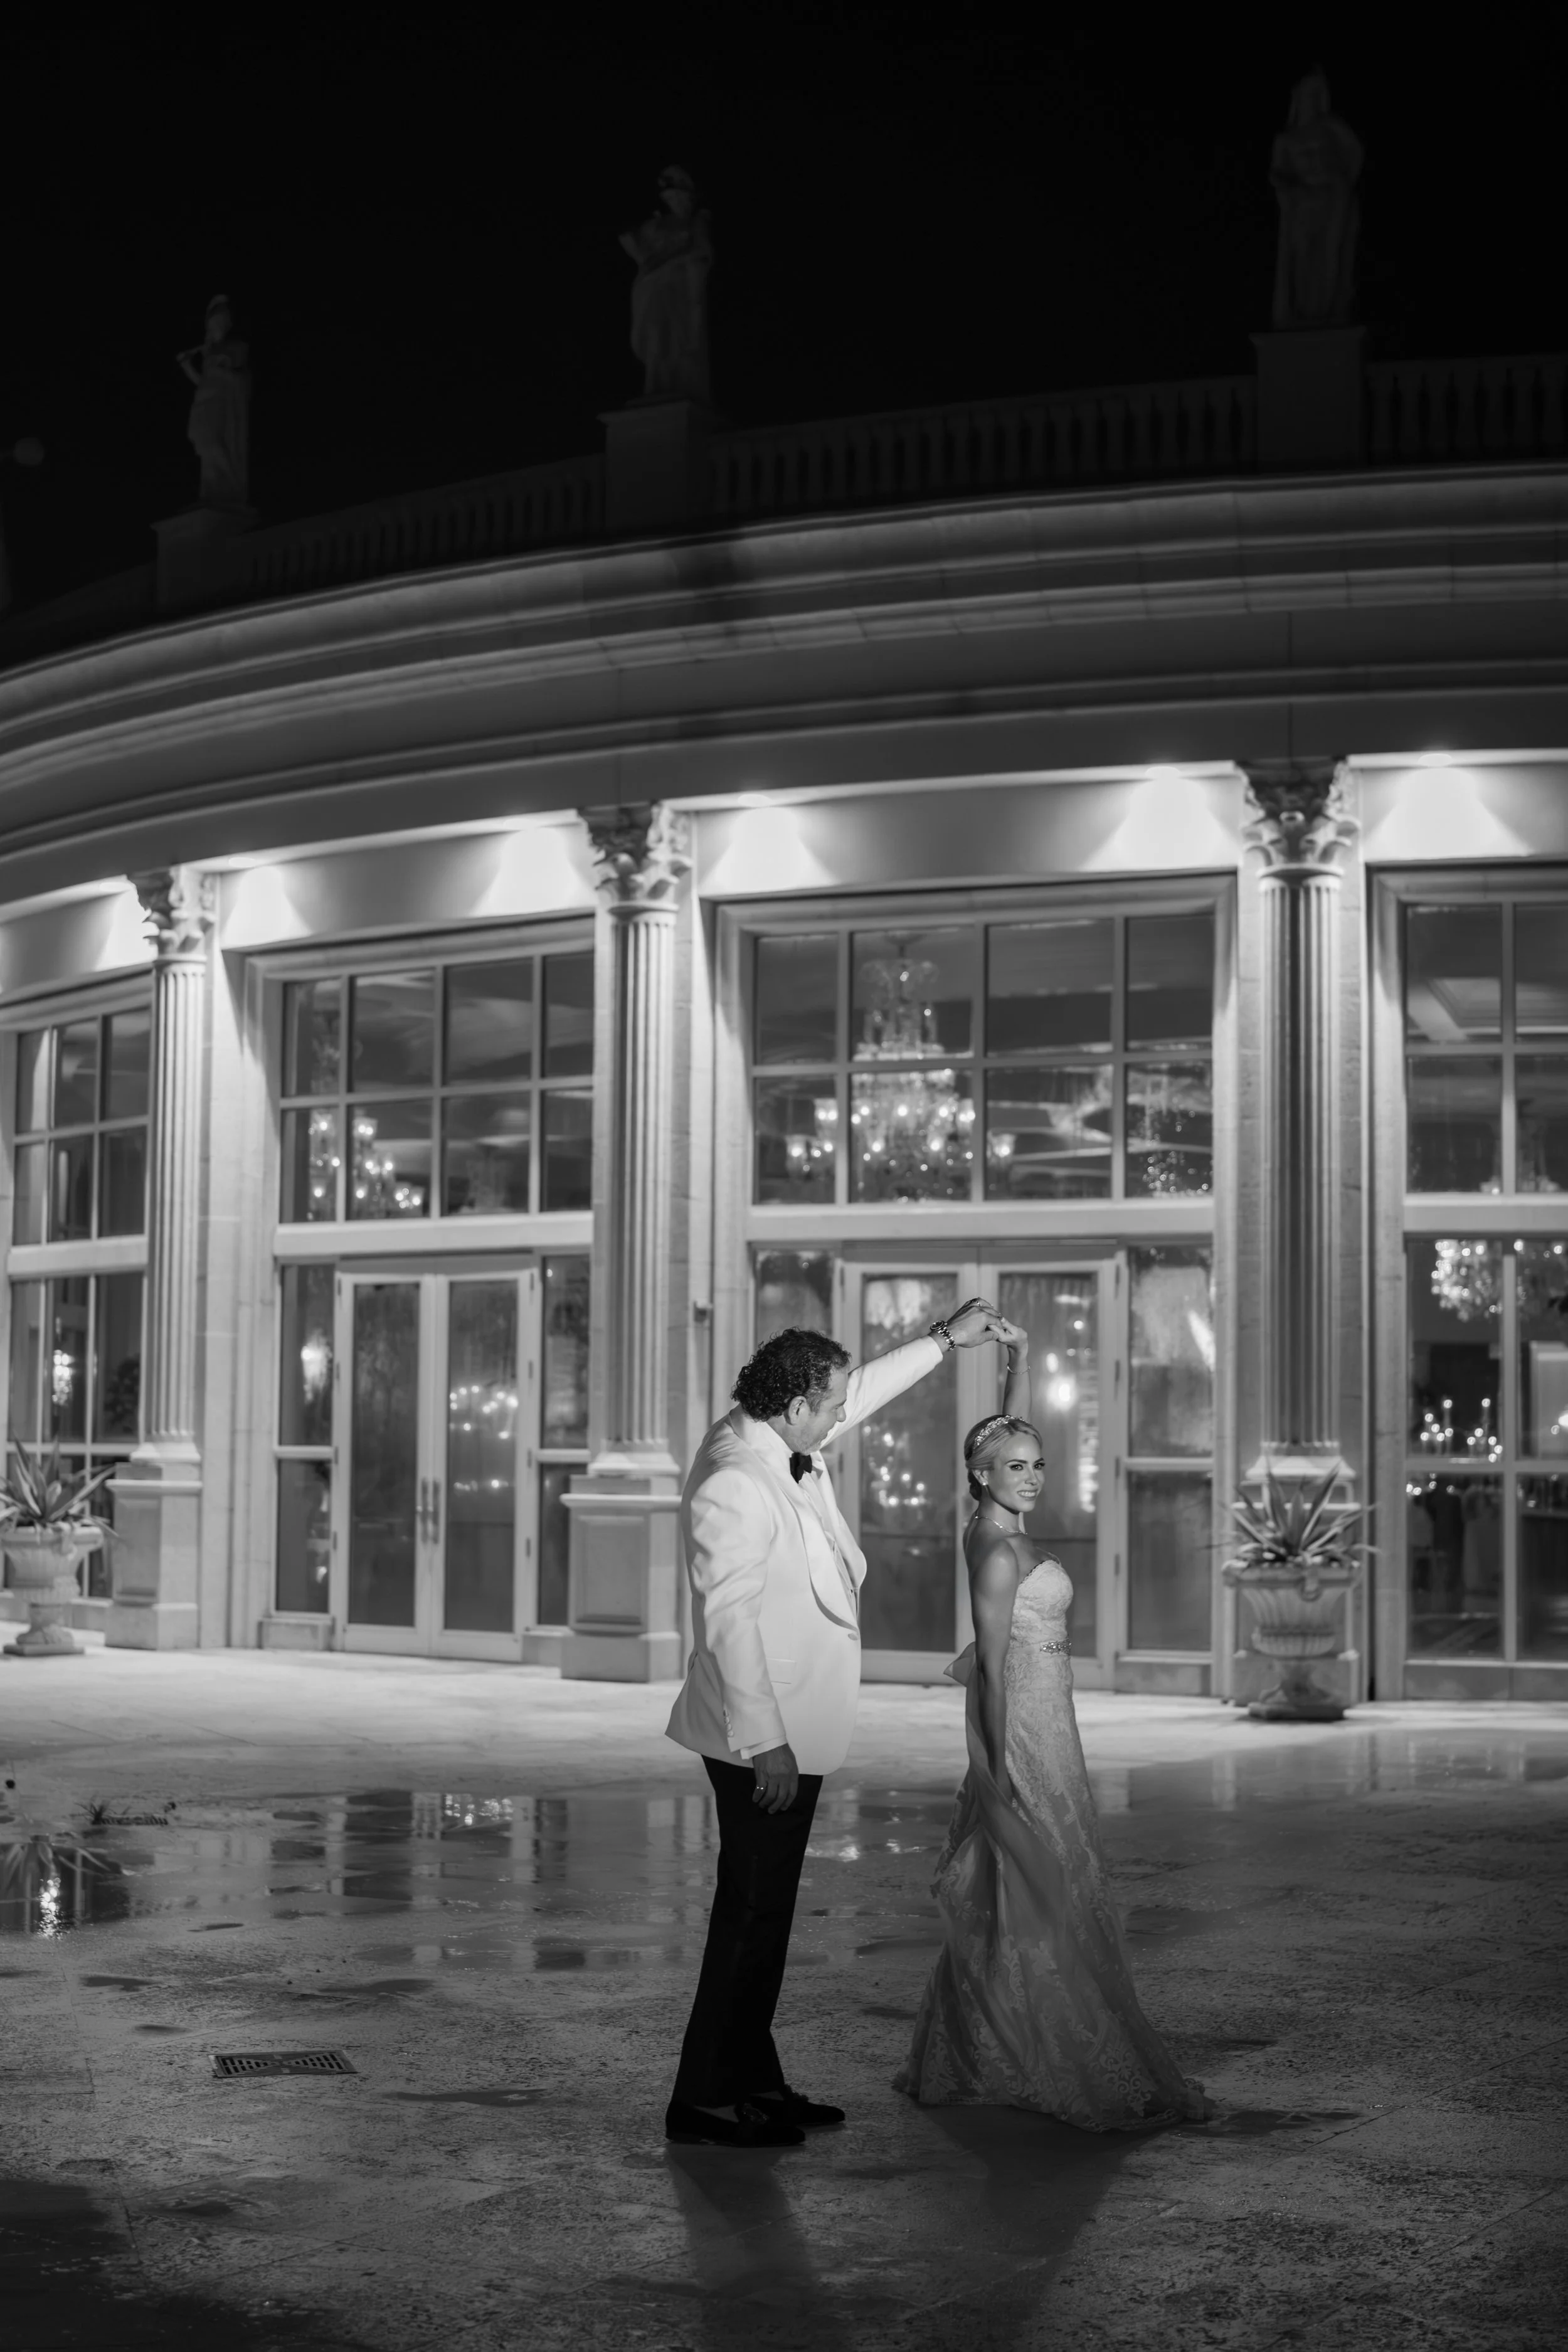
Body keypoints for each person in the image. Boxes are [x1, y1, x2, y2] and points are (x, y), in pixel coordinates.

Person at [665, 1296, 1004, 2149]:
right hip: (760, 1737)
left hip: (792, 1725)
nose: (841, 1414)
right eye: (831, 1403)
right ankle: (705, 2098)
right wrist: (765, 1740)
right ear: (795, 1407)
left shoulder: (779, 1436)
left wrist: (939, 1342)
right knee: (748, 1915)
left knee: (766, 1914)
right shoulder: (735, 1479)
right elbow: (729, 1618)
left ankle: (753, 2079)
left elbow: (857, 1398)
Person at [895, 1321, 1209, 2129]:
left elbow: (1005, 1433)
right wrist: (998, 1770)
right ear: (979, 1475)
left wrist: (1020, 1363)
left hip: (1050, 1714)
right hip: (1025, 1726)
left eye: (1037, 1466)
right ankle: (1032, 2047)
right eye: (1015, 1469)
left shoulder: (1001, 1521)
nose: (1032, 1478)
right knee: (1038, 1877)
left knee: (1037, 1881)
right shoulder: (996, 1554)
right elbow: (995, 1669)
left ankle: (973, 2046)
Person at [177, 295, 251, 510]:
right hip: (203, 403)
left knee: (215, 444)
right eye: (213, 323)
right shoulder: (209, 351)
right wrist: (187, 367)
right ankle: (210, 491)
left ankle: (223, 491)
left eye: (220, 322)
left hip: (222, 405)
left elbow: (241, 377)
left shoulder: (237, 346)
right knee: (203, 443)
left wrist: (222, 365)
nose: (216, 327)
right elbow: (204, 383)